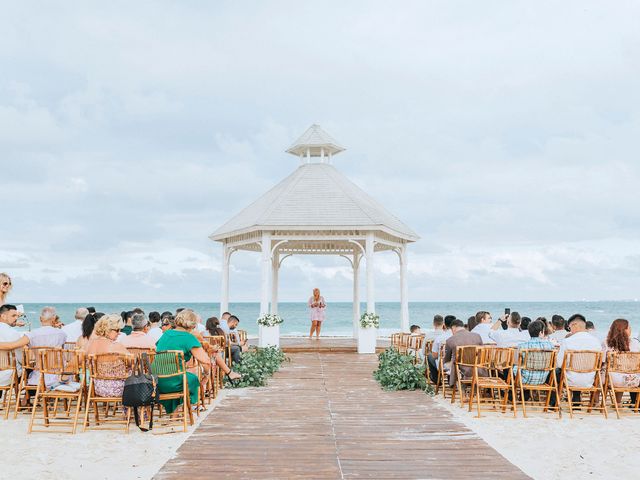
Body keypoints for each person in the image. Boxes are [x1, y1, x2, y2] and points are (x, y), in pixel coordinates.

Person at [155, 309, 214, 414]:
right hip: (176, 382)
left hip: (157, 381)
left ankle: (174, 414)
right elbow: (206, 361)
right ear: (192, 325)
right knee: (192, 379)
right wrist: (206, 374)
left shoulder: (166, 334)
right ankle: (187, 409)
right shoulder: (189, 338)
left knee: (180, 375)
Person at [0, 307, 67, 388]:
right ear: (54, 318)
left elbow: (13, 345)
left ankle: (29, 394)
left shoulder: (32, 334)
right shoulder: (62, 334)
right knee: (28, 367)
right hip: (58, 374)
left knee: (30, 367)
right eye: (14, 316)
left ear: (40, 318)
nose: (16, 318)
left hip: (37, 376)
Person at [554, 314, 602, 406]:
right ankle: (576, 399)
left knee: (558, 371)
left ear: (574, 325)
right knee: (575, 370)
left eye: (569, 327)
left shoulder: (567, 341)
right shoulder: (596, 342)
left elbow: (559, 364)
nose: (569, 329)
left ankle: (554, 403)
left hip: (570, 380)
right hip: (589, 380)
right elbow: (599, 364)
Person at [85, 315, 132, 398]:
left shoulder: (90, 344)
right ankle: (132, 407)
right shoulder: (116, 346)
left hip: (97, 388)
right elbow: (131, 362)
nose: (119, 333)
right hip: (119, 389)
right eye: (117, 330)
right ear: (108, 330)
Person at [603, 319, 640, 402]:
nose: (631, 329)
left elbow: (602, 360)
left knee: (602, 371)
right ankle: (620, 402)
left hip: (612, 381)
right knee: (624, 371)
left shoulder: (606, 343)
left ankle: (596, 402)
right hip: (633, 381)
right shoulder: (635, 343)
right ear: (625, 330)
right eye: (629, 327)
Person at [513, 320, 555, 387]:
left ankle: (519, 393)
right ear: (541, 332)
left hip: (524, 380)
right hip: (542, 379)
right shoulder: (550, 346)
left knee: (513, 367)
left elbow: (515, 362)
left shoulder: (522, 346)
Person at [444, 319, 483, 387]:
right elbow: (482, 352)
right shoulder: (477, 336)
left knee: (448, 364)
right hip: (479, 368)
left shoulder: (450, 340)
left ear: (453, 328)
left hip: (462, 369)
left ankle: (456, 383)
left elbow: (447, 359)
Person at [0, 304, 24, 386]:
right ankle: (27, 398)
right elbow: (21, 359)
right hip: (9, 376)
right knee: (31, 369)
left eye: (17, 316)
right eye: (13, 316)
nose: (16, 318)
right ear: (3, 316)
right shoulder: (13, 333)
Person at [426, 315, 455, 383]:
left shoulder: (440, 338)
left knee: (430, 356)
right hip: (457, 365)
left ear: (444, 325)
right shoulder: (457, 337)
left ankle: (436, 379)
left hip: (444, 365)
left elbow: (435, 356)